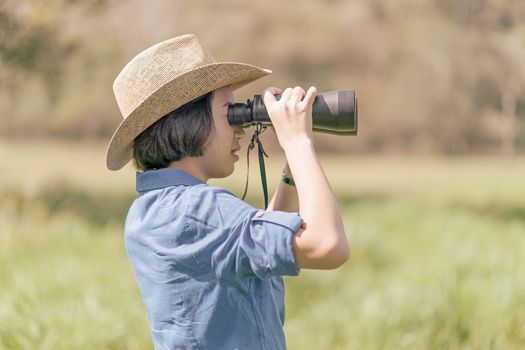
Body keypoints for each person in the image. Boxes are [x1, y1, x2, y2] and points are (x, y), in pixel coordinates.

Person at [106, 34, 350, 350]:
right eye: (229, 112)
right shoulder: (199, 211)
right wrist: (298, 142)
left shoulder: (152, 209)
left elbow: (264, 244)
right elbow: (327, 245)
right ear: (189, 120)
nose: (241, 128)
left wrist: (292, 166)